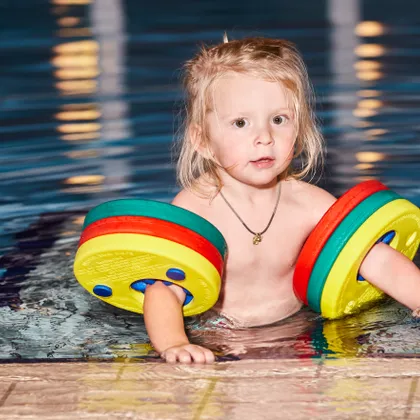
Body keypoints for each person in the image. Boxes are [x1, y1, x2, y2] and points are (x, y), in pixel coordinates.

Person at [143, 35, 420, 364]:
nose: (264, 138)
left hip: (302, 333)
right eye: (241, 123)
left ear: (299, 129)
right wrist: (174, 343)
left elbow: (374, 257)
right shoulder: (195, 209)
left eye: (279, 119)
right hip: (216, 338)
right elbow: (164, 288)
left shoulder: (308, 203)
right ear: (203, 140)